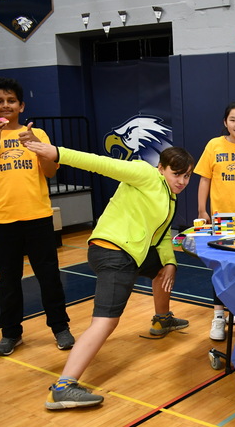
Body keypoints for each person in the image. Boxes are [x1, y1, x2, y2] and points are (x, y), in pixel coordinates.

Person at [23, 141, 194, 409]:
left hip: (132, 252)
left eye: (187, 176)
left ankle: (162, 320)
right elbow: (100, 163)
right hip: (114, 253)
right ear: (161, 168)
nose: (182, 181)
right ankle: (63, 387)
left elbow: (160, 237)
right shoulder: (146, 174)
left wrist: (170, 263)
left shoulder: (169, 196)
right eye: (177, 174)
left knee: (161, 269)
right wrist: (57, 153)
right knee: (105, 321)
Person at [0, 77, 74, 356]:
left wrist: (37, 145)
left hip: (37, 216)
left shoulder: (37, 134)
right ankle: (11, 333)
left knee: (49, 276)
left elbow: (50, 172)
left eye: (11, 100)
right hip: (1, 219)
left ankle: (60, 327)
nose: (6, 105)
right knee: (8, 280)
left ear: (21, 106)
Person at [195, 101, 235, 341]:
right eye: (233, 120)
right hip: (222, 220)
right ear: (225, 122)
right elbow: (204, 180)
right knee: (221, 269)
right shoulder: (214, 145)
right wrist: (202, 210)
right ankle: (219, 317)